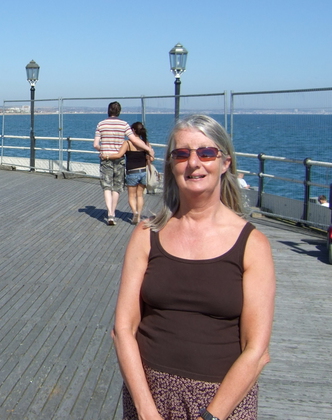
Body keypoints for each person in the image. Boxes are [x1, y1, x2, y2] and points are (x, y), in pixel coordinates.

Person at [113, 114, 276, 420]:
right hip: (149, 397)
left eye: (207, 153)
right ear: (171, 165)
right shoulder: (146, 235)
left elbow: (256, 351)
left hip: (223, 403)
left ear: (225, 163)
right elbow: (123, 329)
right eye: (181, 154)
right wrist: (146, 410)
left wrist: (211, 416)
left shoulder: (253, 245)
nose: (193, 163)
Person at [93, 102, 154, 225]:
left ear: (108, 110)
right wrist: (148, 149)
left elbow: (95, 145)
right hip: (119, 159)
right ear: (119, 111)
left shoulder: (101, 124)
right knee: (117, 187)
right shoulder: (124, 124)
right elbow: (134, 140)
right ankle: (114, 211)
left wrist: (103, 150)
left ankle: (110, 214)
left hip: (106, 159)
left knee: (107, 187)